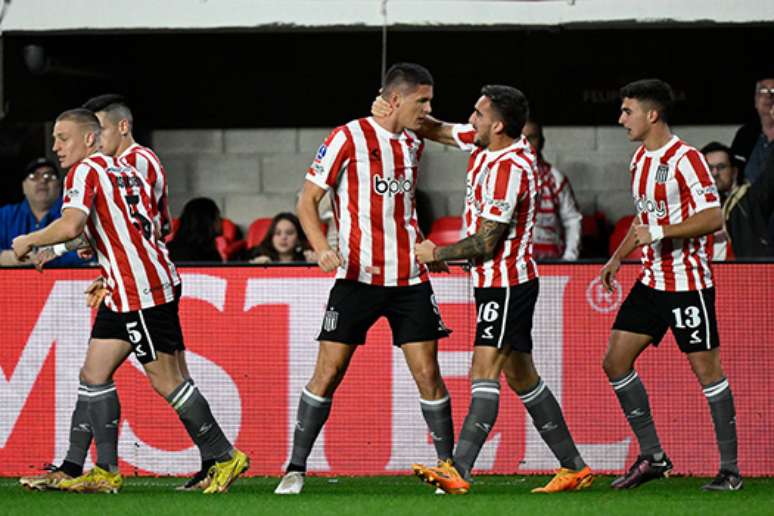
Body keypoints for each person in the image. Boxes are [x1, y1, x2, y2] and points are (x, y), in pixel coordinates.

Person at [13, 108, 248, 494]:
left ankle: (223, 455)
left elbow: (73, 223)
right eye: (55, 138)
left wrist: (29, 240)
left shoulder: (86, 172)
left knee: (166, 379)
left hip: (140, 290)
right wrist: (74, 255)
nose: (56, 146)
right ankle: (104, 472)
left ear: (90, 139)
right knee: (94, 373)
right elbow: (125, 228)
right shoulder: (124, 170)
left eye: (63, 137)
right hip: (130, 284)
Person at [274, 63, 454, 495]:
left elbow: (460, 135)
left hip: (410, 278)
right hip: (356, 278)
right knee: (329, 372)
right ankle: (295, 466)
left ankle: (448, 468)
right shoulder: (345, 137)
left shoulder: (414, 139)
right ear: (395, 99)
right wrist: (320, 248)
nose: (428, 110)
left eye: (430, 101)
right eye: (422, 101)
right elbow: (307, 202)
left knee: (428, 372)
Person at [403, 86, 592, 495]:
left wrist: (439, 250)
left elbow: (488, 241)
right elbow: (439, 131)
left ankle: (460, 469)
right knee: (522, 376)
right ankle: (573, 466)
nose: (470, 119)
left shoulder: (512, 168)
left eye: (477, 113)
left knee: (483, 371)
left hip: (506, 284)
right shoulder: (486, 139)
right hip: (494, 283)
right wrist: (401, 112)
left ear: (499, 124)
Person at [601, 79, 741, 491]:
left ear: (652, 114)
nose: (621, 119)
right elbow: (643, 221)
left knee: (707, 372)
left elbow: (714, 218)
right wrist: (616, 257)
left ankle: (730, 470)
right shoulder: (638, 160)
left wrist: (660, 232)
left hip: (686, 284)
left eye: (628, 111)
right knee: (615, 361)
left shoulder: (687, 160)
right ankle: (654, 456)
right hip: (650, 280)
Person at [0, 158, 87, 266]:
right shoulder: (5, 215)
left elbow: (90, 250)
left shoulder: (76, 214)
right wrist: (10, 258)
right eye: (34, 176)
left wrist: (50, 256)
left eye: (49, 176)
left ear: (59, 186)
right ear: (23, 186)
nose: (42, 181)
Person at [702, 139, 774, 259]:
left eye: (721, 167)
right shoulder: (688, 207)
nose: (714, 173)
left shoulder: (750, 200)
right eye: (708, 168)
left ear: (734, 172)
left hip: (741, 274)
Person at [522, 120, 583, 261]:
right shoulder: (499, 176)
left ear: (542, 142)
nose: (525, 143)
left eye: (531, 137)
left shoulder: (556, 178)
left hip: (551, 264)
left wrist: (569, 259)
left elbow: (572, 220)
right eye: (520, 138)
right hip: (512, 267)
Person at [167, 197, 223, 263]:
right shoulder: (181, 252)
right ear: (207, 221)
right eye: (218, 217)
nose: (221, 221)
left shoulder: (170, 249)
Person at [246, 212, 314, 263]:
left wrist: (315, 265)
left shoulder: (307, 258)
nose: (283, 237)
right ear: (271, 237)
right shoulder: (258, 256)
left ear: (298, 238)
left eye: (289, 233)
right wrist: (255, 267)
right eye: (278, 233)